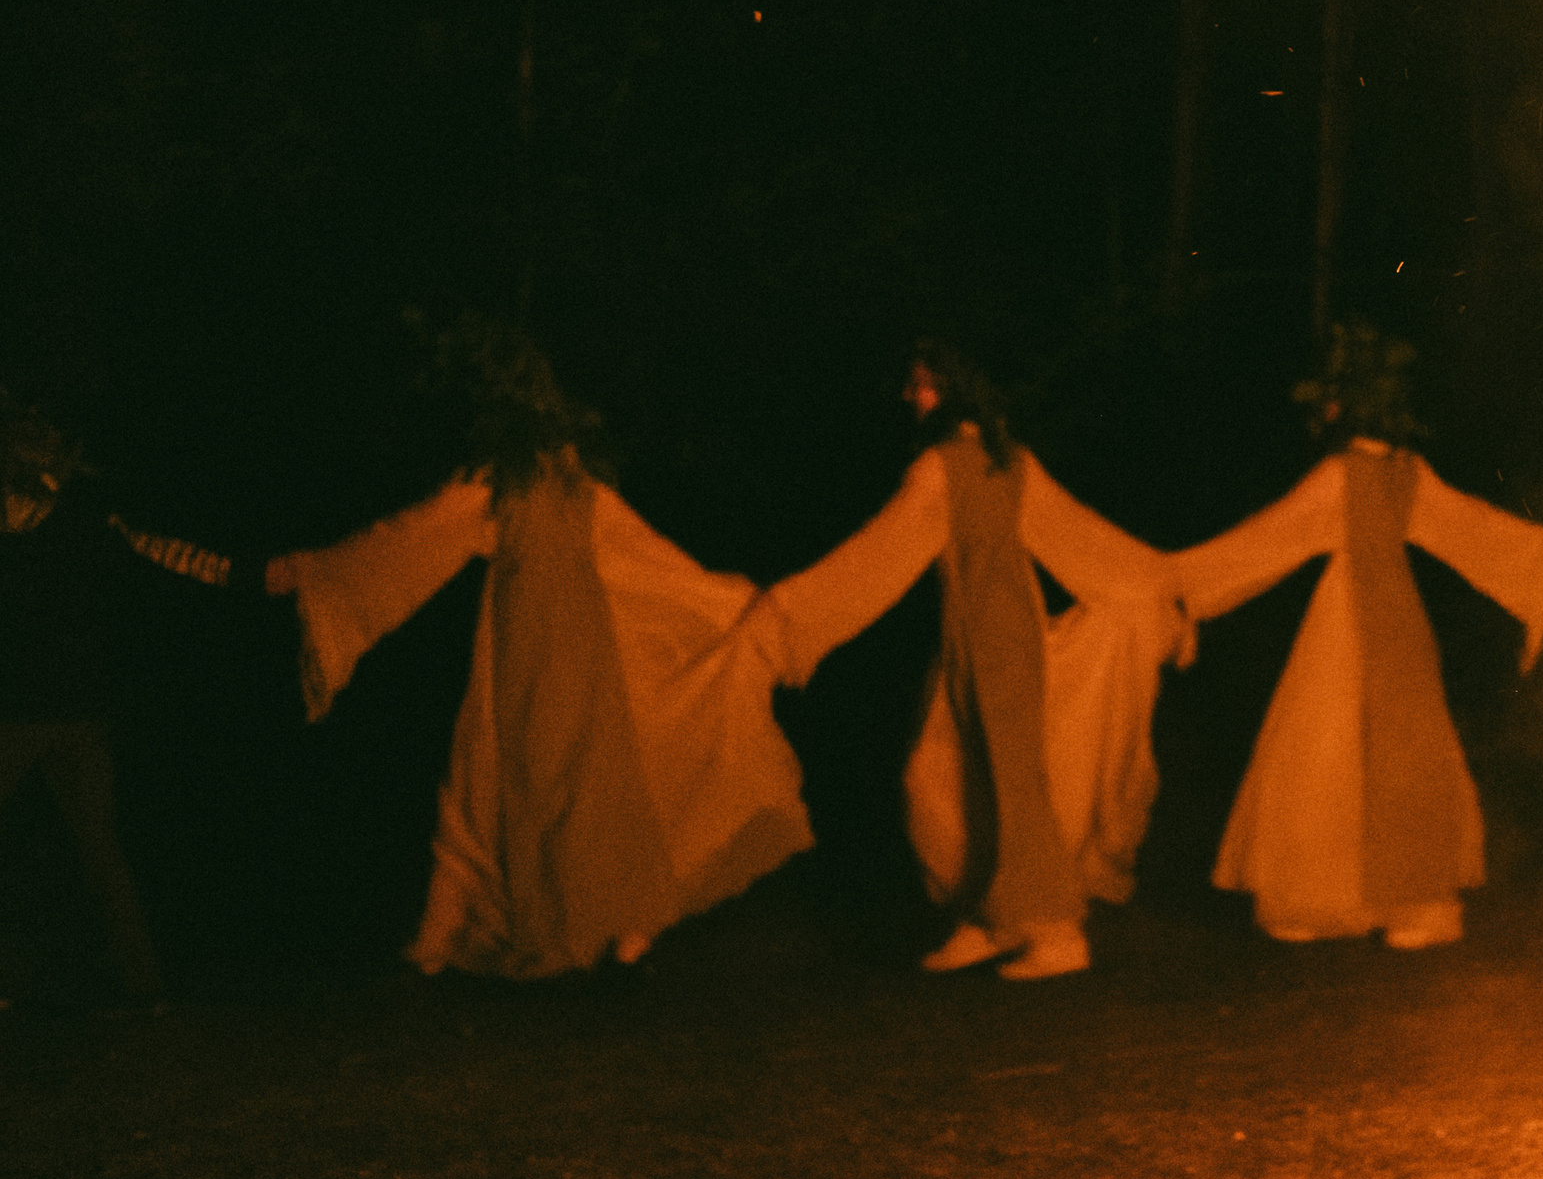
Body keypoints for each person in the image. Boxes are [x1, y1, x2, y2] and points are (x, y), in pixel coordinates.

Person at [264, 320, 814, 979]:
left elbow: (413, 539)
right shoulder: (567, 474)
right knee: (560, 788)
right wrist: (724, 602)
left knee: (509, 785)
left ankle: (519, 932)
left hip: (538, 656)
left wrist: (317, 572)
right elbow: (642, 554)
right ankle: (493, 933)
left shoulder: (509, 479)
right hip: (579, 653)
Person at [743, 344, 1185, 980]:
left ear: (954, 389)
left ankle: (1055, 929)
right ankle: (992, 913)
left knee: (1010, 782)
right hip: (980, 638)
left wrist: (791, 614)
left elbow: (877, 557)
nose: (909, 397)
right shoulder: (1009, 463)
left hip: (996, 642)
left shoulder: (947, 469)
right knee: (939, 772)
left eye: (922, 385)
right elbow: (1083, 540)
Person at [1170, 323, 1543, 948]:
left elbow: (1465, 527)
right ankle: (1329, 899)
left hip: (1387, 622)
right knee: (1331, 748)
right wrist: (1181, 580)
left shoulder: (1390, 475)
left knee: (1396, 753)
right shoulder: (1361, 475)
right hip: (1360, 619)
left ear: (1346, 405)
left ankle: (1416, 904)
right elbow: (1277, 538)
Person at [1, 396, 241, 999]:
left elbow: (162, 551)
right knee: (101, 852)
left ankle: (141, 984)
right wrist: (232, 574)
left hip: (40, 716)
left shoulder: (82, 525)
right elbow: (161, 551)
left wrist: (236, 574)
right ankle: (143, 985)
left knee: (101, 852)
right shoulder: (86, 524)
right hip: (73, 713)